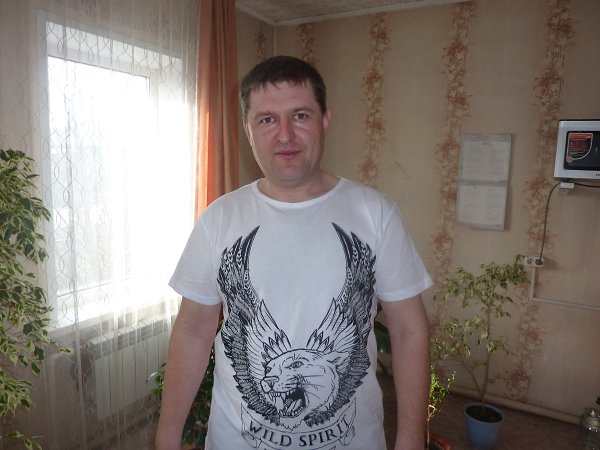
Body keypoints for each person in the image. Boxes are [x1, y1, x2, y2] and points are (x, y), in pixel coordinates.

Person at [156, 55, 432, 450]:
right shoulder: (219, 219)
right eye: (267, 119)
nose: (284, 136)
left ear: (324, 120)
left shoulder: (375, 214)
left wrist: (412, 439)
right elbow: (193, 329)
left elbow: (408, 330)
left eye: (299, 116)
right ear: (248, 130)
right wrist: (167, 436)